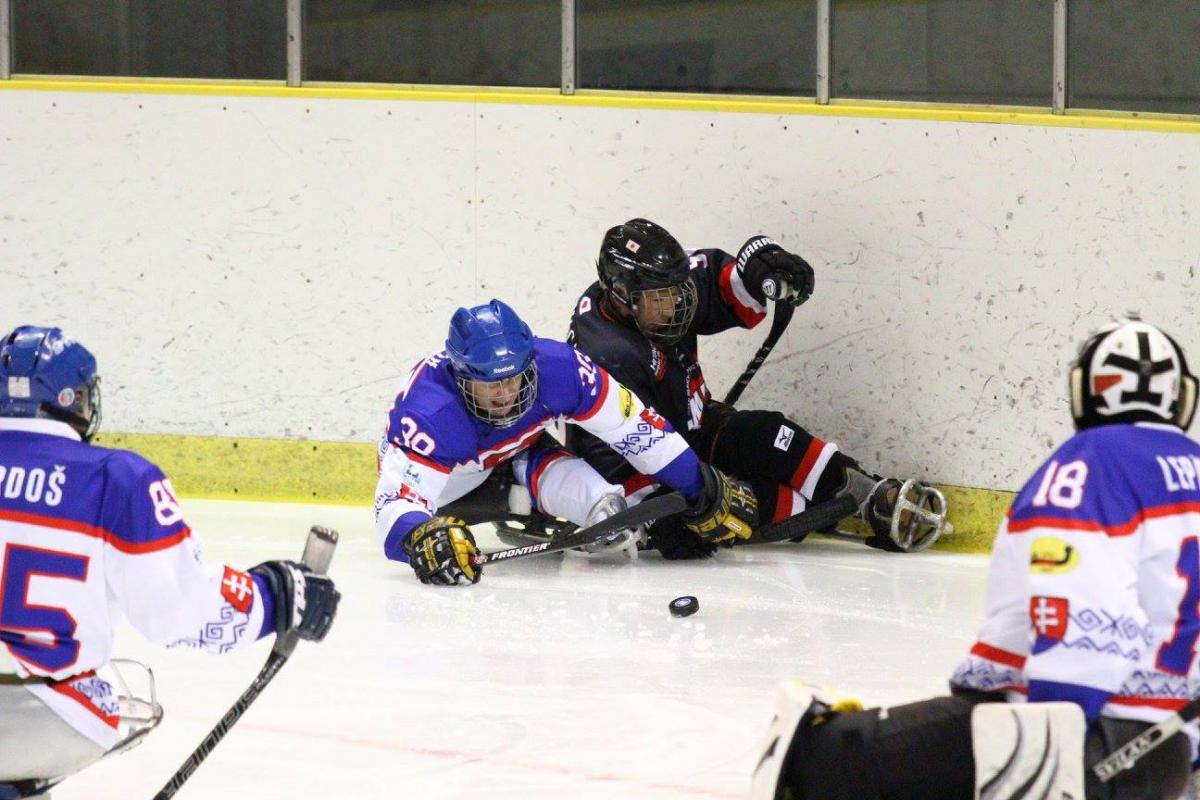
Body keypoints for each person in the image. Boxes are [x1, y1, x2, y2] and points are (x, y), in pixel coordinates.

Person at [749, 317, 1197, 800]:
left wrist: (1051, 750)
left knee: (822, 758)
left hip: (1094, 745)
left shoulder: (1089, 466)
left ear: (1085, 391)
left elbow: (1085, 619)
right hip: (1170, 753)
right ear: (1180, 395)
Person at [0, 326, 341, 798]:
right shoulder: (116, 479)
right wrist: (273, 596)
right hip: (48, 718)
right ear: (73, 399)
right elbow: (180, 613)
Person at [567, 218, 948, 558]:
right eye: (662, 300)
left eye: (676, 292)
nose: (677, 306)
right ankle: (814, 513)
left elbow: (717, 280)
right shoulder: (606, 354)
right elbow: (608, 453)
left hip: (694, 426)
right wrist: (654, 517)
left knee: (767, 433)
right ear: (620, 297)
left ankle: (869, 496)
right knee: (738, 507)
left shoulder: (658, 286)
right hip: (653, 467)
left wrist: (757, 265)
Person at [373, 299, 759, 585]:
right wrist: (419, 536)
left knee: (607, 507)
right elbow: (395, 502)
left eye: (514, 378)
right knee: (443, 524)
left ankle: (602, 516)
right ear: (460, 378)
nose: (507, 394)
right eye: (490, 384)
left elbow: (637, 430)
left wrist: (699, 488)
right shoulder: (427, 413)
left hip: (516, 453)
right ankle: (508, 499)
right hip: (448, 485)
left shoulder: (564, 369)